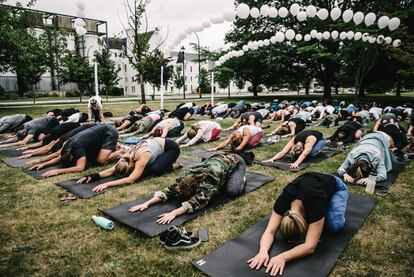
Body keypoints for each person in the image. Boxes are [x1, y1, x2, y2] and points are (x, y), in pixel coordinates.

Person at [247, 172, 348, 276]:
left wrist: (283, 257)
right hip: (310, 182)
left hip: (336, 185)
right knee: (319, 220)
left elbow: (310, 246)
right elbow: (270, 231)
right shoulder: (283, 200)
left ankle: (330, 199)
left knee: (334, 226)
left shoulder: (315, 203)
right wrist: (262, 251)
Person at [128, 151, 255, 224]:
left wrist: (173, 213)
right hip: (216, 157)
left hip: (237, 162)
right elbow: (168, 191)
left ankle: (240, 177)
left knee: (232, 191)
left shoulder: (208, 185)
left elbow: (194, 203)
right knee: (212, 170)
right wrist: (146, 203)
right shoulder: (185, 178)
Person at [77, 138, 181, 192]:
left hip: (170, 148)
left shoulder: (142, 157)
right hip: (155, 145)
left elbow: (131, 179)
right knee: (146, 169)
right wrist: (91, 176)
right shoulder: (125, 158)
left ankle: (174, 165)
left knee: (153, 170)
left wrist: (107, 184)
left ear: (131, 166)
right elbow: (110, 170)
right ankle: (161, 159)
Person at [29, 124, 121, 177]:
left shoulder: (78, 148)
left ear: (72, 156)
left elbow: (80, 168)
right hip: (98, 133)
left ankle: (121, 151)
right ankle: (112, 148)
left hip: (109, 132)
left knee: (100, 160)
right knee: (93, 157)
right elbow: (58, 158)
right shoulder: (66, 146)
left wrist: (57, 171)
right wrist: (44, 164)